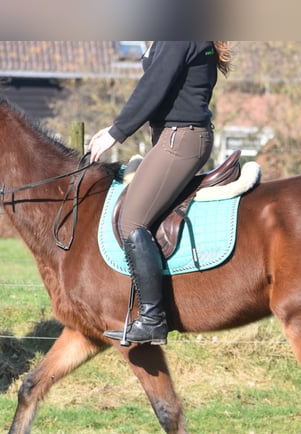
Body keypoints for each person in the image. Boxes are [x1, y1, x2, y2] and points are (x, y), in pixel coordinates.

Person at [88, 41, 232, 345]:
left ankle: (153, 318)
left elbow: (153, 87)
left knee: (131, 222)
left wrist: (116, 132)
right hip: (176, 137)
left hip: (181, 140)